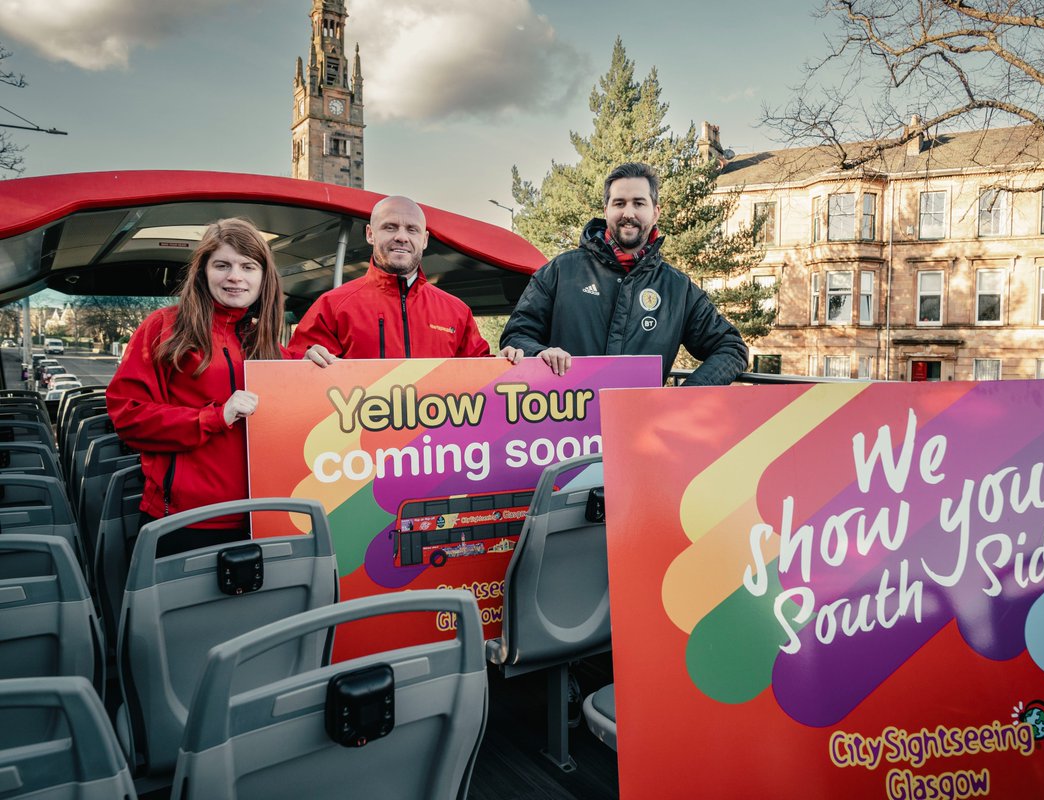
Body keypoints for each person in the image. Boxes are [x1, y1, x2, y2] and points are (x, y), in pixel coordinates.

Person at [107, 218, 310, 556]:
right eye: (222, 265)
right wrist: (214, 418)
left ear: (263, 278)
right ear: (202, 272)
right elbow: (128, 417)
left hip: (263, 517)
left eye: (248, 266)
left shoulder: (264, 339)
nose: (235, 276)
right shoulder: (163, 327)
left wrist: (315, 365)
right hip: (186, 522)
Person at [500, 162, 748, 385]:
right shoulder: (561, 271)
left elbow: (732, 348)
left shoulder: (678, 289)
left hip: (639, 430)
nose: (628, 213)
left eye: (639, 203)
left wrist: (685, 396)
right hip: (566, 428)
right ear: (606, 210)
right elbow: (516, 335)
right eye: (619, 203)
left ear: (655, 212)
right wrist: (538, 353)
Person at [289, 195, 518, 362]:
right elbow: (294, 374)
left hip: (435, 430)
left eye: (412, 229)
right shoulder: (331, 307)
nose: (401, 237)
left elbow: (482, 379)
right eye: (390, 227)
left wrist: (507, 364)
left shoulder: (457, 312)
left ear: (425, 239)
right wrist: (304, 364)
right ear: (370, 234)